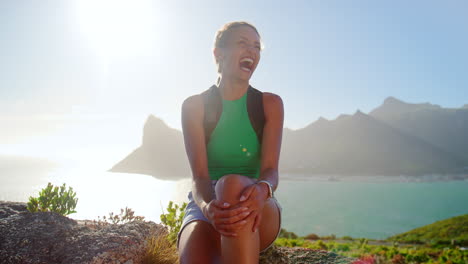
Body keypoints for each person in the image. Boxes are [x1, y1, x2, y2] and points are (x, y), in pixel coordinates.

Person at [177, 21, 284, 264]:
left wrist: (262, 190)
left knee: (231, 185)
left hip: (256, 204)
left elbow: (271, 171)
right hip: (207, 204)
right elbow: (200, 178)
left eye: (257, 47)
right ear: (218, 53)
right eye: (242, 43)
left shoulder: (270, 104)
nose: (252, 52)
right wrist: (207, 208)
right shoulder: (194, 107)